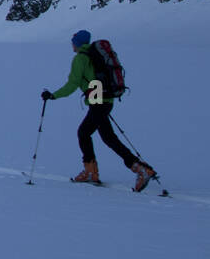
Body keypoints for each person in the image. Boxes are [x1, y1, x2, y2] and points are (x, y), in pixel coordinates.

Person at [41, 30, 157, 191]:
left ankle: (98, 171)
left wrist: (53, 95)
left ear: (78, 43)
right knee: (108, 138)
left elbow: (72, 85)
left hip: (98, 101)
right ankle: (131, 169)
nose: (72, 45)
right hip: (105, 100)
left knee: (84, 133)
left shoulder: (80, 58)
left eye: (73, 42)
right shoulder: (94, 56)